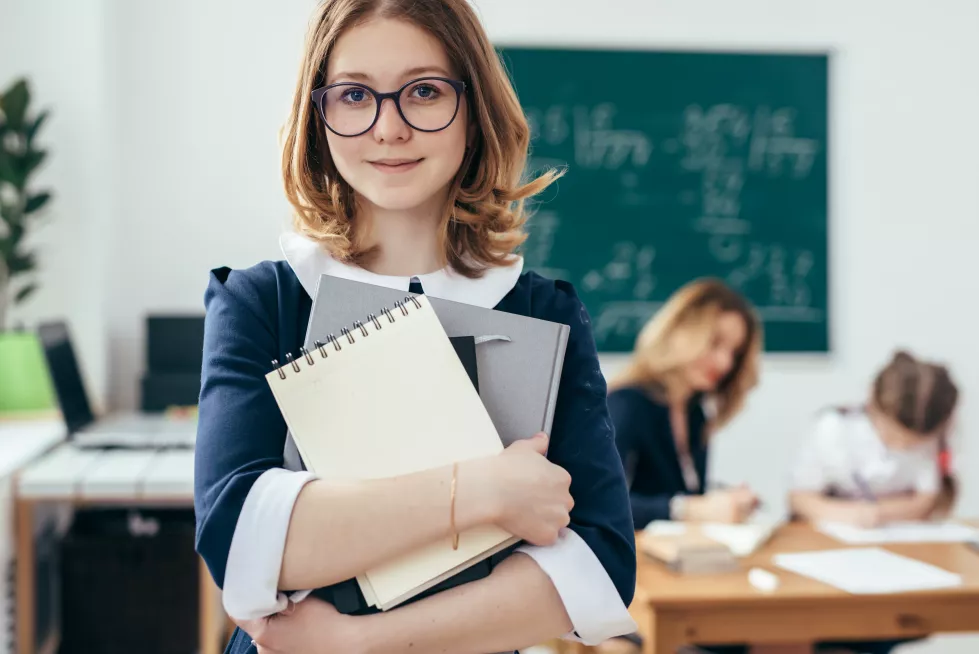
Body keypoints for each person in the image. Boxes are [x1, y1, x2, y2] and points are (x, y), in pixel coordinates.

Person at [193, 1, 638, 653]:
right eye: (353, 95)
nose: (388, 127)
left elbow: (596, 571)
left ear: (473, 108)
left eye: (424, 91)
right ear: (318, 116)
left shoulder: (540, 311)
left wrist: (352, 645)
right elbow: (241, 544)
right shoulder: (263, 301)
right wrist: (485, 491)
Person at [609, 278, 764, 532]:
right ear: (678, 331)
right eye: (715, 342)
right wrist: (689, 509)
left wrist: (724, 501)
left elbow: (682, 492)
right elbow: (596, 504)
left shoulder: (696, 413)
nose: (725, 363)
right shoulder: (627, 404)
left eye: (734, 353)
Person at [790, 349, 959, 528]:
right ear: (872, 404)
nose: (901, 446)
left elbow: (926, 501)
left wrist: (878, 513)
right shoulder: (832, 428)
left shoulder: (932, 441)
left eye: (913, 443)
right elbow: (800, 499)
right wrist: (852, 514)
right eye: (892, 436)